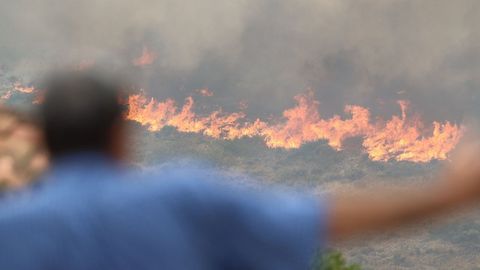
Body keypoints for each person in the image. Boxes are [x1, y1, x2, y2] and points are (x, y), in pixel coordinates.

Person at [0, 71, 479, 269]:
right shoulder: (181, 197)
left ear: (44, 141)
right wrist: (452, 193)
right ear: (119, 137)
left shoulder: (10, 228)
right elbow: (324, 218)